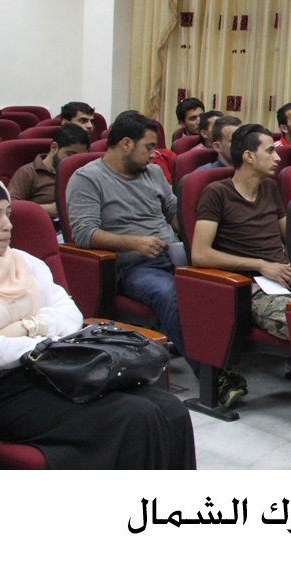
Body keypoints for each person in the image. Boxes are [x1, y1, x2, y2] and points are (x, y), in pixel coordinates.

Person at [0, 176, 195, 468]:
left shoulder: (25, 262)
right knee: (137, 416)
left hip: (60, 368)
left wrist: (27, 328)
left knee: (171, 409)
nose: (7, 226)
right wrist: (47, 335)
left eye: (8, 215)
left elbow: (71, 314)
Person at [64, 113, 210, 381]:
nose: (154, 155)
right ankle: (212, 376)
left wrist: (200, 235)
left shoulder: (153, 172)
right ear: (126, 144)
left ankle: (221, 356)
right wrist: (135, 243)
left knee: (216, 285)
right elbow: (84, 234)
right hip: (134, 266)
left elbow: (174, 214)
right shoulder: (87, 179)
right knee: (170, 294)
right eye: (149, 147)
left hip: (174, 254)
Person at [192, 125, 291, 407]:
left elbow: (290, 236)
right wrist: (261, 265)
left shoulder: (269, 188)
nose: (278, 157)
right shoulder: (216, 193)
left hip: (282, 275)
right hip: (247, 284)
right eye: (270, 151)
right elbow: (200, 254)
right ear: (249, 156)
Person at [7, 123, 90, 219]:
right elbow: (11, 208)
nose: (74, 161)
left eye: (79, 157)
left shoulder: (82, 173)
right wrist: (50, 209)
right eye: (70, 154)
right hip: (42, 224)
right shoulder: (28, 172)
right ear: (54, 148)